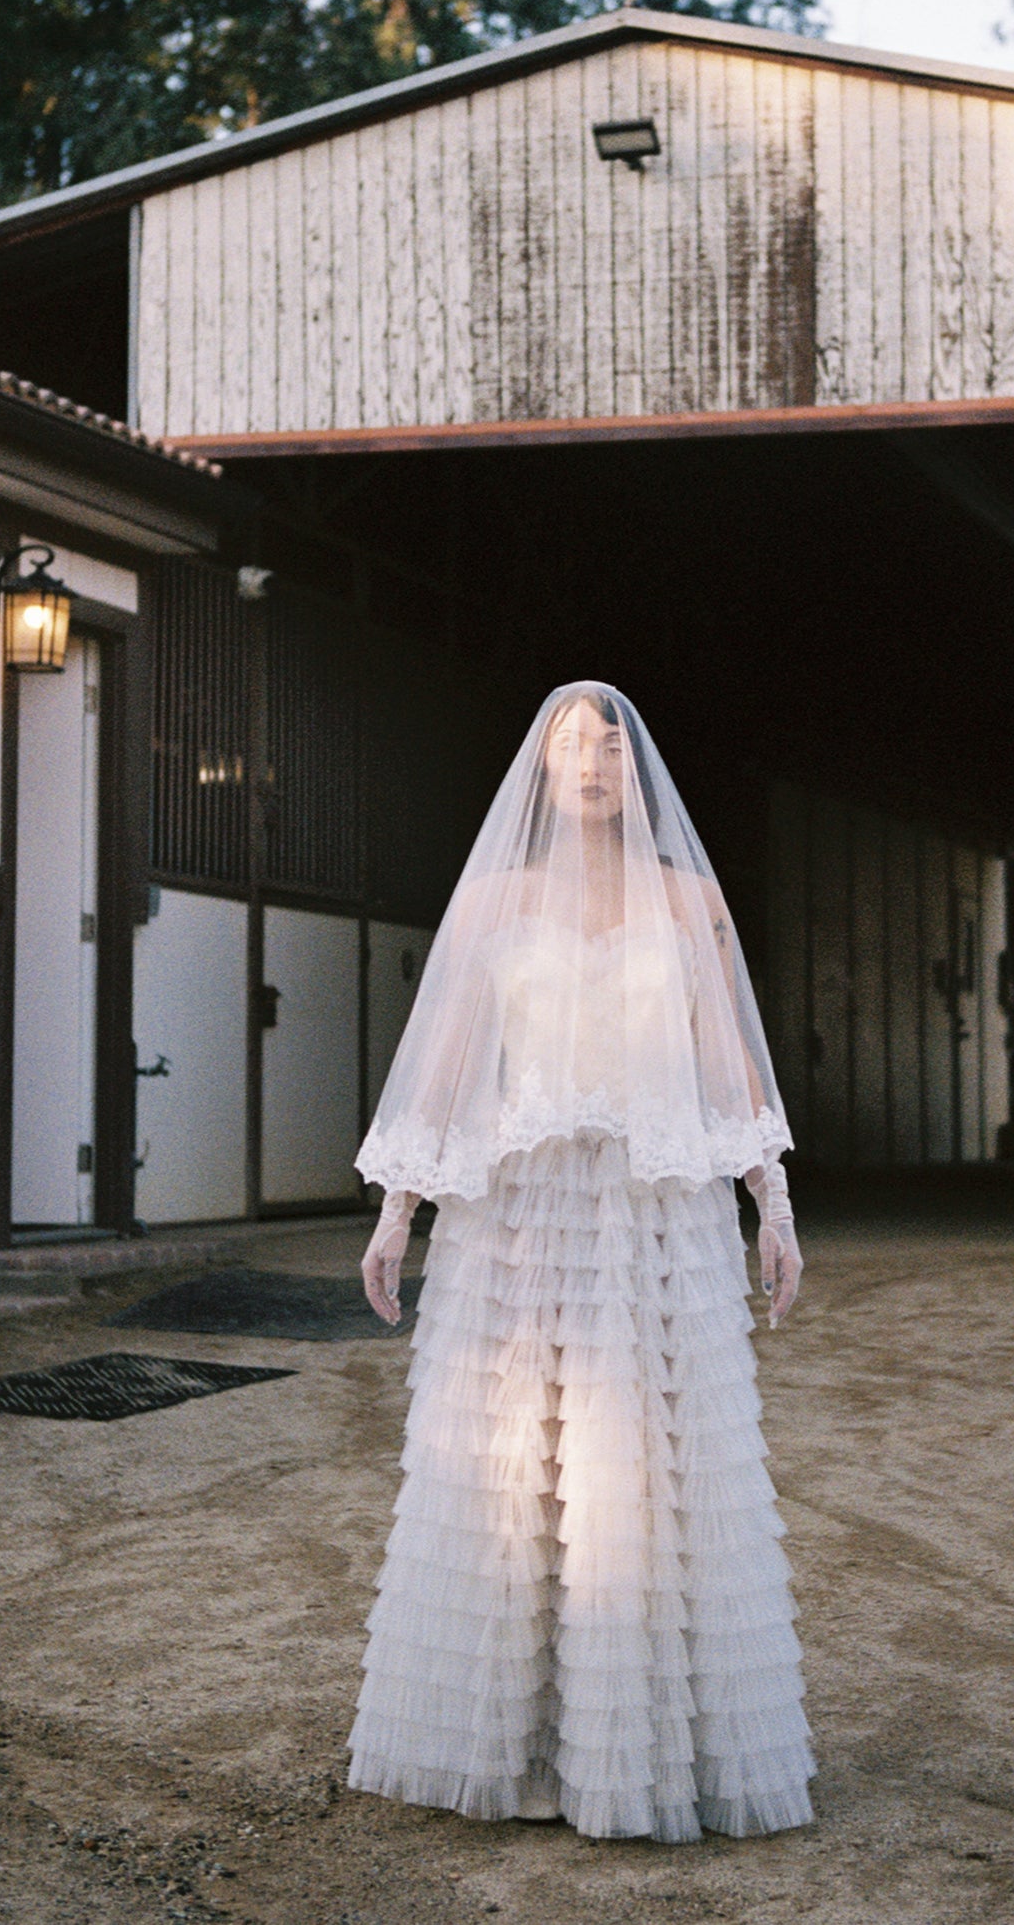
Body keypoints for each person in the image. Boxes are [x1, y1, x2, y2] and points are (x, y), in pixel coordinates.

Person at [346, 682, 814, 1844]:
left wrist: (775, 1205)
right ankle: (499, 1743)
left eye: (611, 740)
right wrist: (396, 1210)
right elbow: (448, 1060)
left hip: (657, 1214)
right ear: (541, 767)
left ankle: (644, 1745)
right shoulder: (494, 899)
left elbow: (728, 1061)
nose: (594, 758)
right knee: (510, 1464)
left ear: (635, 766)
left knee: (645, 1468)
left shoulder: (686, 897)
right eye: (571, 741)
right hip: (518, 1214)